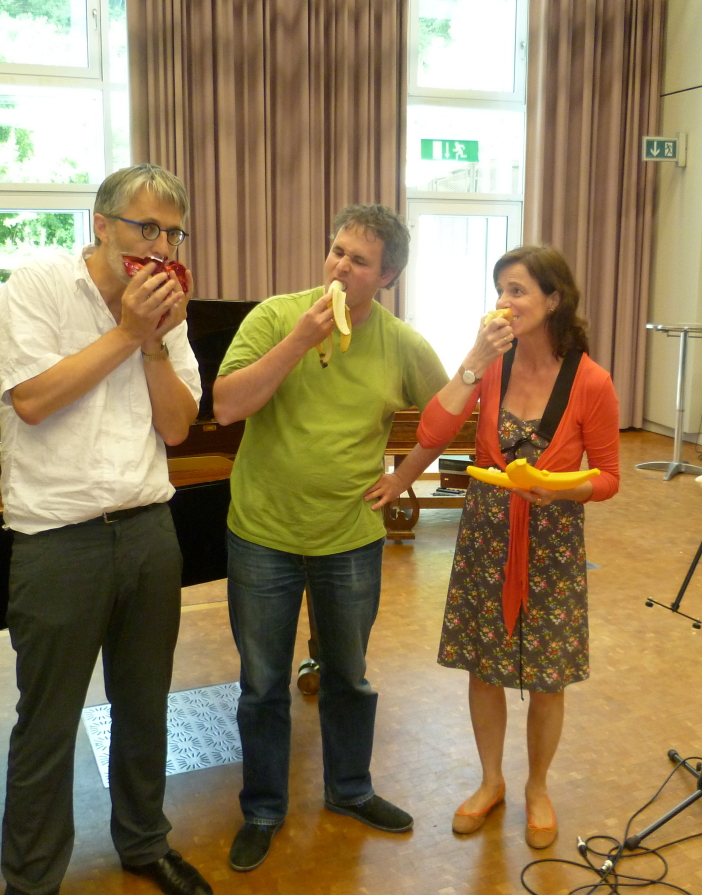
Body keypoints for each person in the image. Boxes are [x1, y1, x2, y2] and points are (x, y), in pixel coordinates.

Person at [213, 204, 449, 872]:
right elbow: (227, 406)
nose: (341, 267)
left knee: (348, 676)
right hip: (262, 532)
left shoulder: (400, 342)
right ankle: (263, 808)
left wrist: (404, 476)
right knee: (262, 684)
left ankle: (350, 789)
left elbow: (449, 414)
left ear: (388, 276)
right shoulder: (275, 316)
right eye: (337, 251)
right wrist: (298, 340)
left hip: (349, 536)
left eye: (359, 260)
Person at [0, 165, 212, 895]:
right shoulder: (36, 286)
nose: (160, 247)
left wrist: (153, 342)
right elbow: (32, 400)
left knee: (146, 706)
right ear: (100, 223)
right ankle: (31, 879)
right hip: (58, 541)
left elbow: (177, 426)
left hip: (149, 532)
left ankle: (145, 843)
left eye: (173, 233)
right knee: (48, 722)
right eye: (145, 228)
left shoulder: (164, 315)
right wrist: (127, 332)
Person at [416, 245, 620, 849]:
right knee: (484, 668)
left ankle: (537, 787)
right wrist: (473, 362)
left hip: (553, 542)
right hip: (486, 535)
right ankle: (490, 781)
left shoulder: (591, 381)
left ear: (553, 300)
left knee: (548, 676)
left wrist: (559, 488)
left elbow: (609, 477)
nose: (503, 302)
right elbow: (433, 430)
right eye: (500, 289)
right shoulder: (492, 366)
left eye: (517, 290)